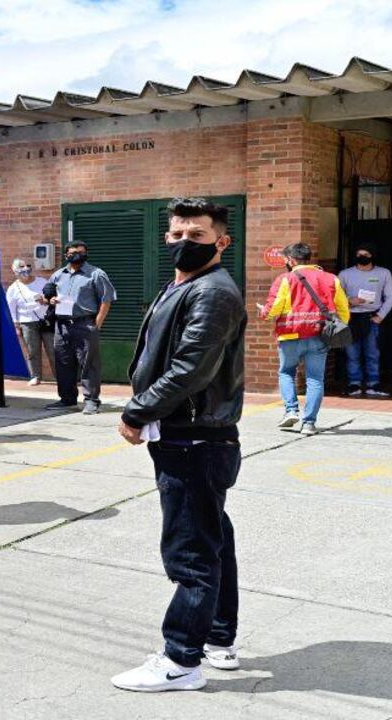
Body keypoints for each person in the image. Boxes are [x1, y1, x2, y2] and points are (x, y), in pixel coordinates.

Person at [112, 198, 247, 693]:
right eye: (177, 234)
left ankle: (180, 660)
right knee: (212, 538)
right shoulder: (185, 285)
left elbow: (191, 368)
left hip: (194, 438)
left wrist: (137, 410)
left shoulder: (212, 292)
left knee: (190, 551)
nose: (184, 242)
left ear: (221, 242)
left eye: (197, 235)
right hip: (192, 435)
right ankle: (217, 637)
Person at [260, 243, 349, 435]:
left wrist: (264, 313)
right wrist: (338, 326)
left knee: (286, 372)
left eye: (286, 259)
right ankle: (309, 423)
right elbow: (343, 309)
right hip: (319, 335)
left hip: (290, 334)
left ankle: (291, 410)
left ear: (291, 260)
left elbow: (273, 308)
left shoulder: (285, 279)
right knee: (315, 379)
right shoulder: (331, 279)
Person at [42, 239, 115, 415]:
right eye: (73, 253)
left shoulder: (96, 274)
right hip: (62, 325)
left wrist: (97, 324)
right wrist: (50, 300)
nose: (77, 255)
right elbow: (47, 297)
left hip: (85, 323)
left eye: (81, 252)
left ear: (86, 254)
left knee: (89, 364)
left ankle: (91, 401)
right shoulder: (58, 275)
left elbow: (106, 300)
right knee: (63, 363)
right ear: (66, 255)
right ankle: (67, 399)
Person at [337, 243, 392, 398]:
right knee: (352, 354)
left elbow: (390, 297)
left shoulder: (384, 273)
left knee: (373, 353)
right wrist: (349, 301)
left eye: (366, 254)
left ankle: (373, 384)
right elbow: (335, 297)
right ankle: (354, 383)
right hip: (350, 318)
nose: (362, 257)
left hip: (371, 318)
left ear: (372, 256)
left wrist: (380, 316)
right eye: (359, 254)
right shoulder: (345, 274)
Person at [5, 257, 52, 386]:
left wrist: (45, 301)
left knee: (53, 349)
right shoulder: (13, 289)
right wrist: (16, 326)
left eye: (28, 265)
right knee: (32, 350)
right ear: (15, 271)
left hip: (46, 320)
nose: (26, 268)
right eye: (21, 266)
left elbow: (52, 297)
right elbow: (12, 309)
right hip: (27, 322)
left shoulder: (42, 282)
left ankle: (60, 376)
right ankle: (35, 376)